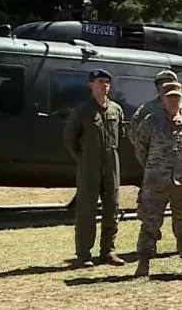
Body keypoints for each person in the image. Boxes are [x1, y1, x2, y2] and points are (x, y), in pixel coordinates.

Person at [132, 81, 182, 277]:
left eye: (177, 96)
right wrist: (154, 167)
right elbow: (141, 148)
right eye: (170, 96)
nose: (174, 100)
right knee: (150, 222)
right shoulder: (151, 121)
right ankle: (144, 263)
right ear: (162, 99)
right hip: (156, 182)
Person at [63, 68, 125, 268]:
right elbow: (69, 140)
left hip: (111, 164)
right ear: (91, 85)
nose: (105, 85)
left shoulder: (116, 109)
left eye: (107, 82)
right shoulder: (81, 111)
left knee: (112, 207)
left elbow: (121, 135)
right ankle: (84, 254)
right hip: (89, 165)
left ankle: (108, 251)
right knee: (87, 210)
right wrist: (82, 158)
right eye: (100, 82)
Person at [129, 70, 182, 144]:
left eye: (171, 83)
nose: (168, 87)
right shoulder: (147, 109)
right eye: (163, 84)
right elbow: (135, 135)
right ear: (158, 88)